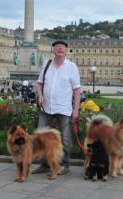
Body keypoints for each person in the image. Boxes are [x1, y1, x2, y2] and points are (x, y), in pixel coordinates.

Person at [32, 40, 81, 175]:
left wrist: (76, 109)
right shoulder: (47, 64)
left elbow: (77, 89)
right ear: (53, 49)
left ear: (66, 50)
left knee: (65, 138)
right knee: (41, 137)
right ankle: (45, 164)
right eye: (57, 46)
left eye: (63, 46)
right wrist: (40, 95)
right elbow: (39, 83)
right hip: (46, 107)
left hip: (64, 108)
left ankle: (65, 164)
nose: (60, 48)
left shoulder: (72, 67)